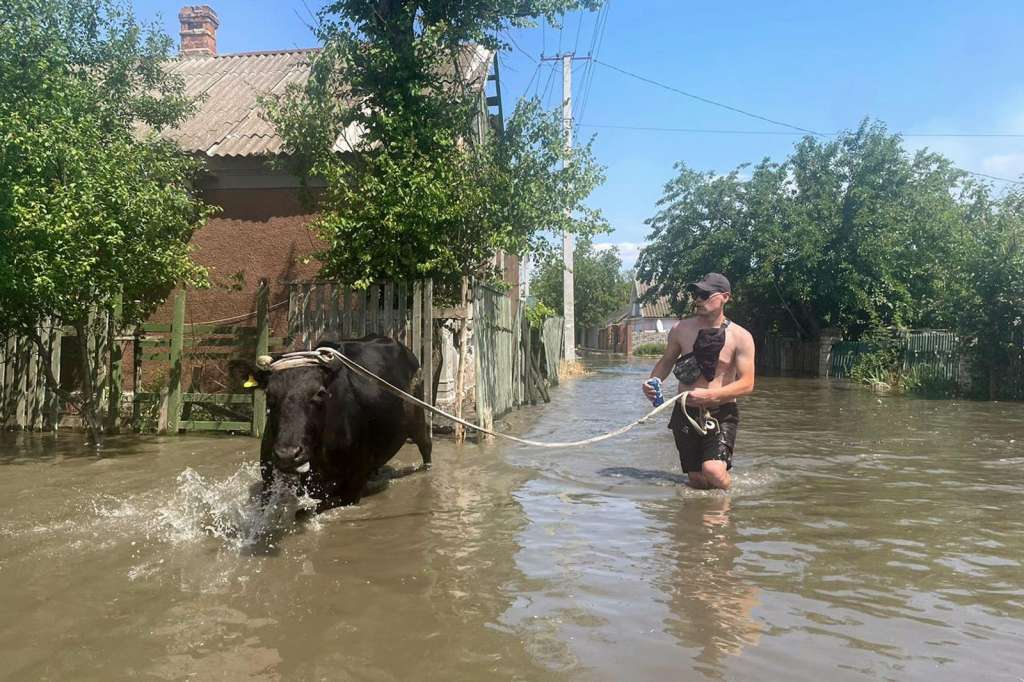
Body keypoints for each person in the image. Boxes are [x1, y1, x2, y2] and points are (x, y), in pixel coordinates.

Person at [642, 273, 755, 490]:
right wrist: (652, 382)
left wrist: (711, 395)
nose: (698, 299)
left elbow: (747, 383)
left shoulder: (741, 337)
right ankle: (696, 519)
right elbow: (666, 362)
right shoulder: (680, 330)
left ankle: (726, 511)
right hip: (684, 413)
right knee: (697, 480)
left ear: (725, 297)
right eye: (695, 294)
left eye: (705, 294)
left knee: (713, 471)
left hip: (721, 413)